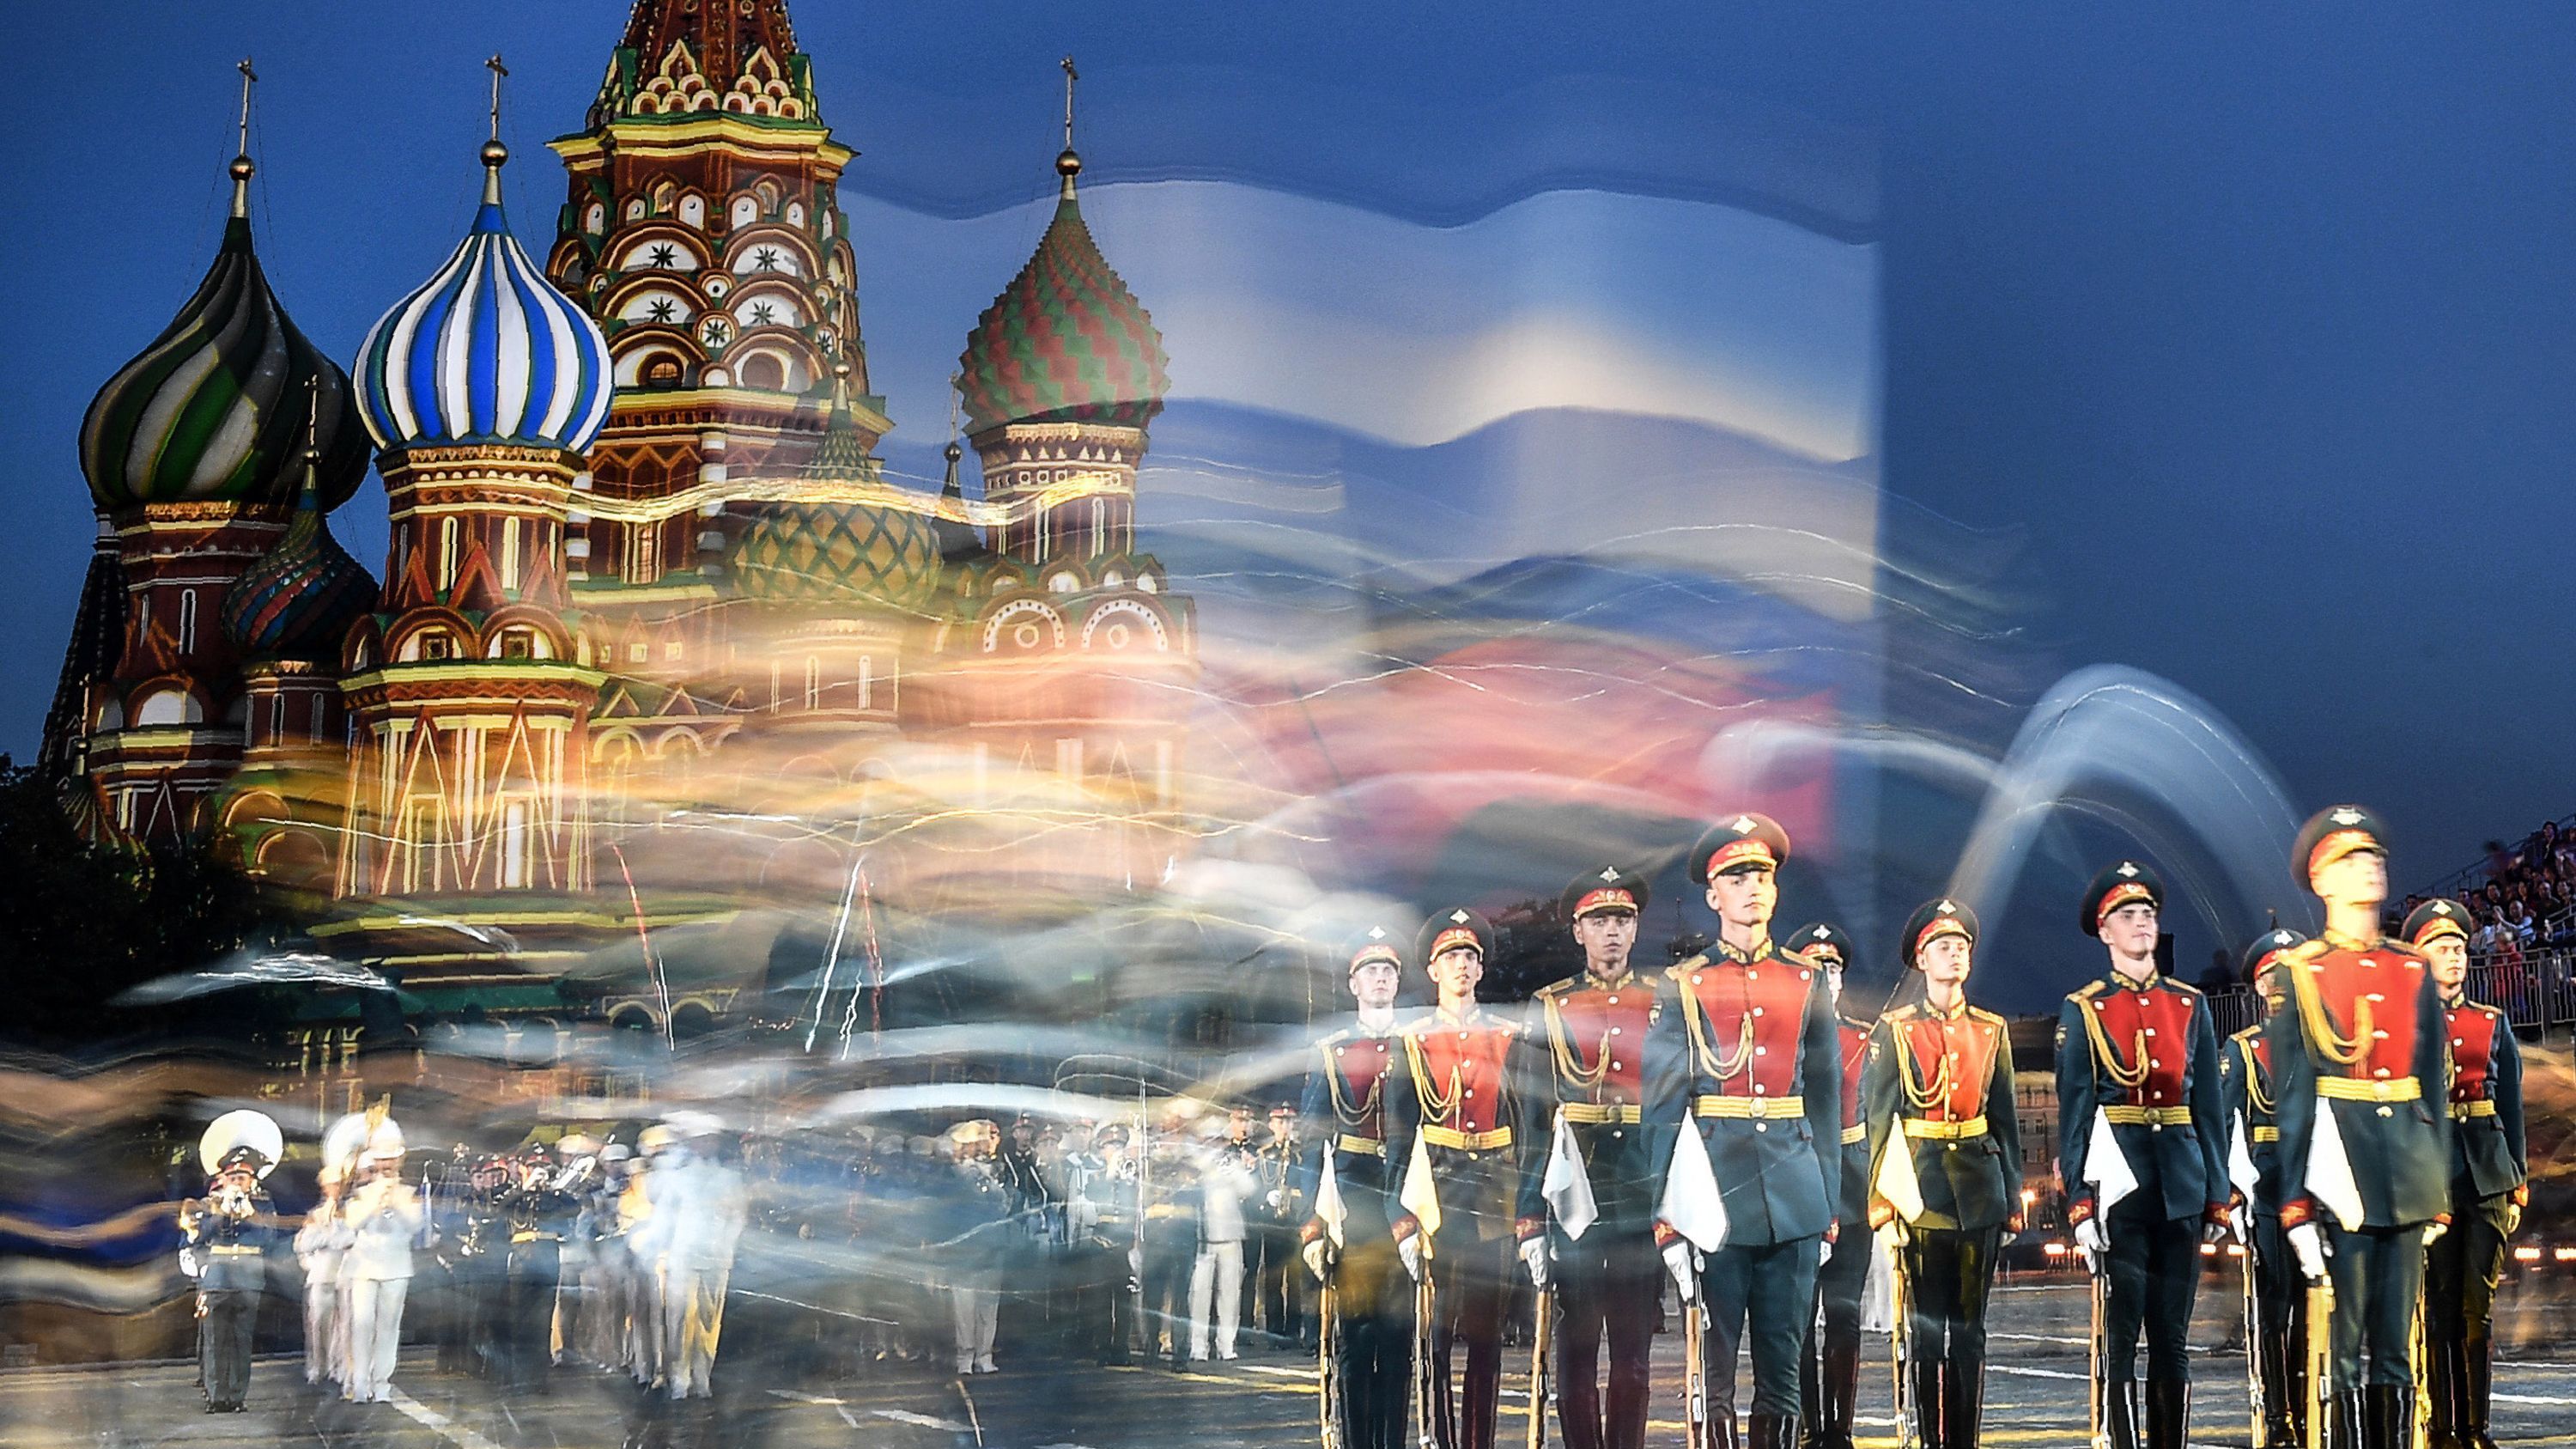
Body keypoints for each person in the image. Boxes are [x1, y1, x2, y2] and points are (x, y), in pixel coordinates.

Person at [1643, 816, 1843, 1449]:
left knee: (1784, 1376)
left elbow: (1826, 1101)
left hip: (1795, 1199)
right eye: (1736, 876)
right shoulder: (1684, 985)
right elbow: (1662, 1109)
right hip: (1714, 1199)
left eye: (1761, 874)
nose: (1751, 886)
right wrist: (1667, 1215)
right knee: (1718, 1376)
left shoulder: (1806, 981)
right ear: (1713, 895)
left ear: (1776, 889)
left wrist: (1828, 1207)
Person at [2266, 807, 2451, 1449]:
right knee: (2344, 1350)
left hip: (2406, 1172)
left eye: (2373, 856)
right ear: (2322, 881)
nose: (2370, 866)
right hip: (2339, 1173)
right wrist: (2294, 1205)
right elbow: (2293, 1098)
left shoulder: (2411, 967)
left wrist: (2439, 1190)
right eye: (2351, 859)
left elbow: (2432, 1085)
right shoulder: (2303, 971)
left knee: (2397, 1348)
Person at [2054, 861, 2232, 1449]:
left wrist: (2217, 1191)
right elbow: (2076, 1114)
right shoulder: (2084, 1009)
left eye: (2148, 914)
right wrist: (2079, 1202)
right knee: (2123, 1334)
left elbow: (2208, 1107)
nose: (2140, 924)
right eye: (2127, 916)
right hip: (2120, 1188)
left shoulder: (2189, 1005)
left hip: (2180, 1183)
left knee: (2173, 1337)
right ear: (2104, 932)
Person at [1862, 898, 2023, 1449]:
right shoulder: (1896, 1030)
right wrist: (1882, 1205)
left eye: (1961, 948)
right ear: (1921, 960)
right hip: (1922, 1192)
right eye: (1942, 947)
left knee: (1971, 1332)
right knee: (1926, 1332)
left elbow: (2005, 1118)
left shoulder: (1991, 1029)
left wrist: (2013, 1199)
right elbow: (1879, 1121)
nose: (1953, 955)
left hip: (1979, 1190)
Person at [1521, 866, 1667, 1449]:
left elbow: (1680, 1109)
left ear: (1635, 930)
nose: (1611, 931)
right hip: (1572, 1189)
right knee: (1576, 1347)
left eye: (1622, 920)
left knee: (1633, 1354)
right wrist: (1530, 1215)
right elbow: (1535, 1120)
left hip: (1639, 1190)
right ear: (1578, 931)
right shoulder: (1550, 1005)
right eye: (1598, 920)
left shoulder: (1663, 1003)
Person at [1386, 906, 1533, 1449]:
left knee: (1488, 1339)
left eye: (1471, 956)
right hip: (1435, 1196)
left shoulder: (1508, 1036)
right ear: (1433, 970)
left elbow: (1524, 1123)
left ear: (1481, 968)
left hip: (1493, 1195)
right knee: (1435, 1340)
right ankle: (1440, 1440)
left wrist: (1529, 1208)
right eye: (1452, 957)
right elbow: (1400, 1139)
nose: (1463, 966)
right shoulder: (1413, 1040)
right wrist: (1400, 1219)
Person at [2406, 899, 2527, 1449]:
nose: (2454, 957)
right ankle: (2441, 1427)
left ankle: (2476, 1427)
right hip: (2431, 1179)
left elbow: (2511, 1105)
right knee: (2438, 1304)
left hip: (2486, 1174)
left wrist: (2517, 1177)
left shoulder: (2490, 1022)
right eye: (2442, 948)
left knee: (2478, 1307)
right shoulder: (2405, 1028)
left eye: (2459, 948)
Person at [1300, 925, 1414, 1449]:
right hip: (1353, 1200)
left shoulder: (1417, 1043)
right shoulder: (1332, 1050)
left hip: (1409, 1199)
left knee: (1398, 1339)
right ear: (1354, 985)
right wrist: (1311, 1227)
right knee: (1355, 1336)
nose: (1381, 979)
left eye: (1389, 971)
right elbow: (1311, 1144)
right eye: (1371, 971)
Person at [2221, 927, 2312, 1449]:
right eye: (2270, 977)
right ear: (2258, 988)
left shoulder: (2324, 1046)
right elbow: (2229, 1124)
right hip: (2269, 1189)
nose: (2279, 985)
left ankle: (2307, 1409)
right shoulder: (2243, 1049)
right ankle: (2279, 1418)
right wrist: (2235, 1193)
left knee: (2314, 1307)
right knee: (2275, 1309)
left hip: (2317, 1186)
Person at [1791, 922, 1870, 1449]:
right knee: (1796, 1319)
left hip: (1852, 1186)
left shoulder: (1864, 1038)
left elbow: (1880, 1118)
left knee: (1843, 1313)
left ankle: (1838, 1431)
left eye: (1834, 968)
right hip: (1797, 1187)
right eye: (1816, 968)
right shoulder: (1781, 1042)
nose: (1826, 976)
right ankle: (1805, 1425)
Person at [181, 1140, 279, 1413]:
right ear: (223, 1179)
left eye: (242, 1177)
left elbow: (270, 1240)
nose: (237, 1182)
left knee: (241, 1341)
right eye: (232, 1177)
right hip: (218, 1280)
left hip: (248, 1280)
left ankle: (237, 1397)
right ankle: (216, 1397)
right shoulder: (209, 1205)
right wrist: (221, 1213)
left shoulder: (263, 1204)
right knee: (215, 1341)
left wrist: (251, 1214)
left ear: (252, 1181)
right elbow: (199, 1237)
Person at [494, 1141, 582, 1394]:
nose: (539, 1171)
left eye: (543, 1167)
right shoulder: (515, 1194)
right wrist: (525, 1188)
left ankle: (538, 1378)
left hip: (546, 1259)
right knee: (518, 1320)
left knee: (542, 1321)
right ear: (525, 1169)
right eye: (534, 1166)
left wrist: (552, 1188)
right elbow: (499, 1209)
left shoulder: (554, 1197)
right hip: (521, 1261)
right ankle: (517, 1378)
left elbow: (573, 1208)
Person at [342, 1134, 422, 1404]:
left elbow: (415, 1226)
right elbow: (352, 1224)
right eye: (381, 1161)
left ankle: (382, 1383)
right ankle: (361, 1382)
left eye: (391, 1161)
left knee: (389, 1327)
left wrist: (395, 1202)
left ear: (398, 1163)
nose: (386, 1166)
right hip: (364, 1267)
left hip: (397, 1266)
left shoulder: (408, 1194)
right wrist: (375, 1202)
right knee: (362, 1325)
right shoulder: (361, 1193)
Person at [1191, 1117, 1256, 1361]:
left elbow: (1249, 1189)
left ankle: (1226, 1345)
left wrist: (1235, 1173)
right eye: (1210, 1140)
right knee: (1199, 1295)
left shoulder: (1230, 1163)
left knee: (1230, 1294)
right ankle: (1198, 1346)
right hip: (1203, 1237)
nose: (1214, 1145)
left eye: (1218, 1140)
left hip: (1231, 1235)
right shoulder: (1195, 1165)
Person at [1253, 1102, 1309, 1349]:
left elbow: (1307, 1187)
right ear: (1271, 1125)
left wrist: (1292, 1197)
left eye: (1289, 1122)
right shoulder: (1264, 1155)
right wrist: (1266, 1196)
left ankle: (1293, 1330)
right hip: (1273, 1224)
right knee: (1273, 1279)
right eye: (1280, 1122)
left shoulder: (1301, 1154)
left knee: (1295, 1280)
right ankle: (1275, 1331)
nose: (1285, 1126)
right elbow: (1256, 1187)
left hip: (1295, 1222)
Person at [295, 1165, 351, 1391]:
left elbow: (350, 1240)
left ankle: (340, 1369)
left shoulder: (351, 1212)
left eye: (339, 1184)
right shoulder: (316, 1215)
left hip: (346, 1276)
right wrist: (314, 1262)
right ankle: (317, 1367)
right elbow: (302, 1245)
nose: (336, 1188)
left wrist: (333, 1237)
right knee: (318, 1326)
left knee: (345, 1327)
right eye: (332, 1184)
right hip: (322, 1277)